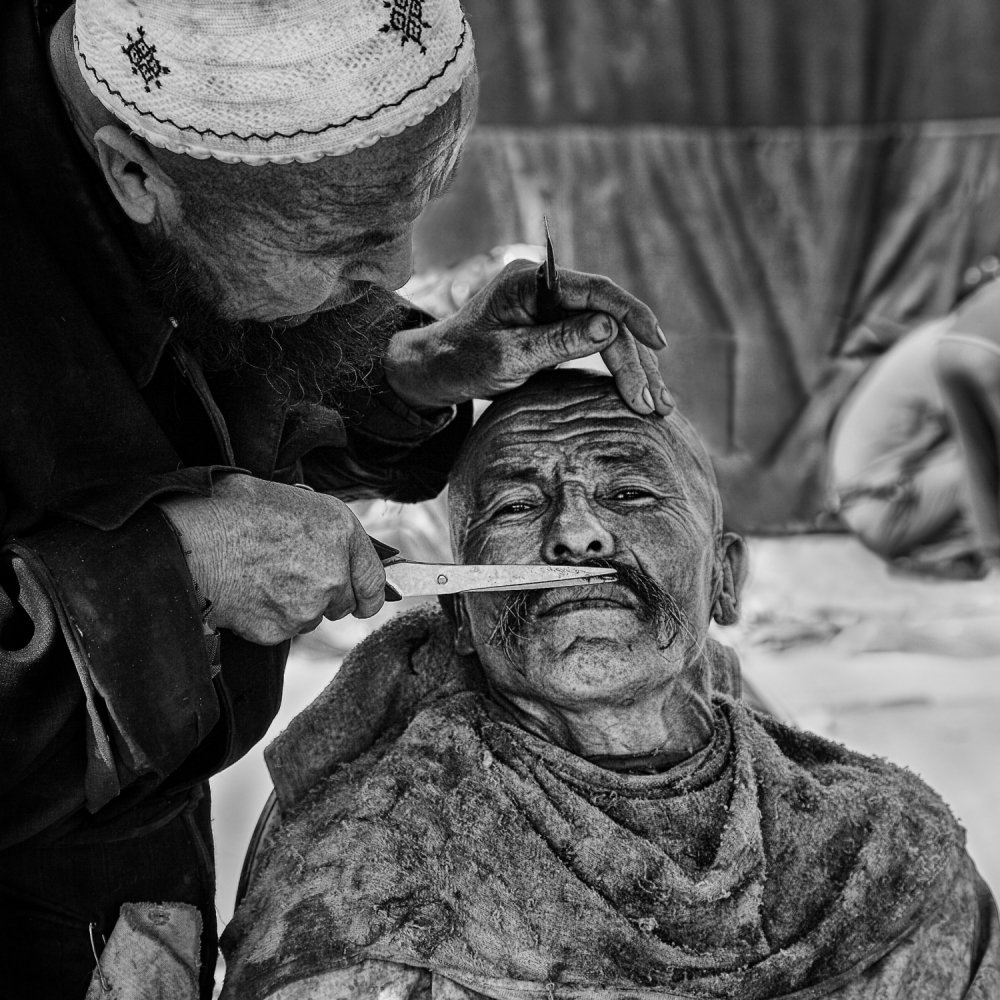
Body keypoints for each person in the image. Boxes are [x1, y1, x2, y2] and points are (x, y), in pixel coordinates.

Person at [0, 0, 675, 995]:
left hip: (132, 854)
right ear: (134, 177)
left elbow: (230, 351)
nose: (401, 269)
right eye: (344, 242)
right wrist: (166, 571)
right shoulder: (369, 858)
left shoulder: (199, 195)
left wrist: (412, 367)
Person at [222, 369, 999, 1000]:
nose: (577, 533)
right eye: (519, 503)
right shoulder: (363, 878)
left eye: (629, 493)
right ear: (460, 615)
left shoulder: (890, 848)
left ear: (724, 580)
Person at [830, 277, 1000, 577]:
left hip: (869, 505)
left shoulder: (931, 338)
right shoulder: (944, 346)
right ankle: (987, 559)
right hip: (883, 510)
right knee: (981, 459)